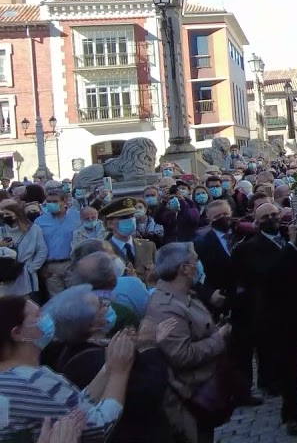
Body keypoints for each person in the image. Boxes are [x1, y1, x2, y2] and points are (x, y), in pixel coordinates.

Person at [0, 294, 135, 441]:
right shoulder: (31, 381)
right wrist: (119, 373)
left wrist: (108, 367)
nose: (46, 318)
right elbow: (99, 426)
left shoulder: (16, 376)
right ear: (17, 333)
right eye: (38, 315)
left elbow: (75, 406)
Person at [233, 203, 297, 435]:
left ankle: (294, 409)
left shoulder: (291, 236)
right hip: (271, 315)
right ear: (256, 223)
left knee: (295, 364)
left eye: (275, 214)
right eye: (265, 216)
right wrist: (290, 246)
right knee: (283, 366)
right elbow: (266, 274)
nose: (272, 218)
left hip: (296, 310)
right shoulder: (247, 249)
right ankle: (289, 414)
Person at [146, 242, 234, 443]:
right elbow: (181, 355)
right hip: (191, 396)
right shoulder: (166, 307)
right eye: (195, 261)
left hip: (204, 387)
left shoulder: (185, 294)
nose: (198, 266)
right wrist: (218, 338)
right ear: (184, 269)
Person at [33, 188, 79, 298]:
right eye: (48, 202)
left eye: (55, 201)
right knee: (56, 301)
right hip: (51, 267)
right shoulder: (40, 221)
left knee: (76, 297)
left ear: (64, 202)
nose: (51, 204)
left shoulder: (77, 217)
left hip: (72, 264)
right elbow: (37, 246)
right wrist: (42, 267)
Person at [99, 199, 156, 284]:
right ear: (110, 223)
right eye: (124, 217)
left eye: (132, 215)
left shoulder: (148, 246)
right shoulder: (102, 251)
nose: (130, 220)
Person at [0, 200, 48, 300]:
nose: (5, 216)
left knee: (29, 304)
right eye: (3, 214)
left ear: (17, 214)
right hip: (6, 275)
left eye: (8, 214)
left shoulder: (33, 229)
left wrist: (31, 268)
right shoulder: (1, 230)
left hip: (26, 272)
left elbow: (41, 250)